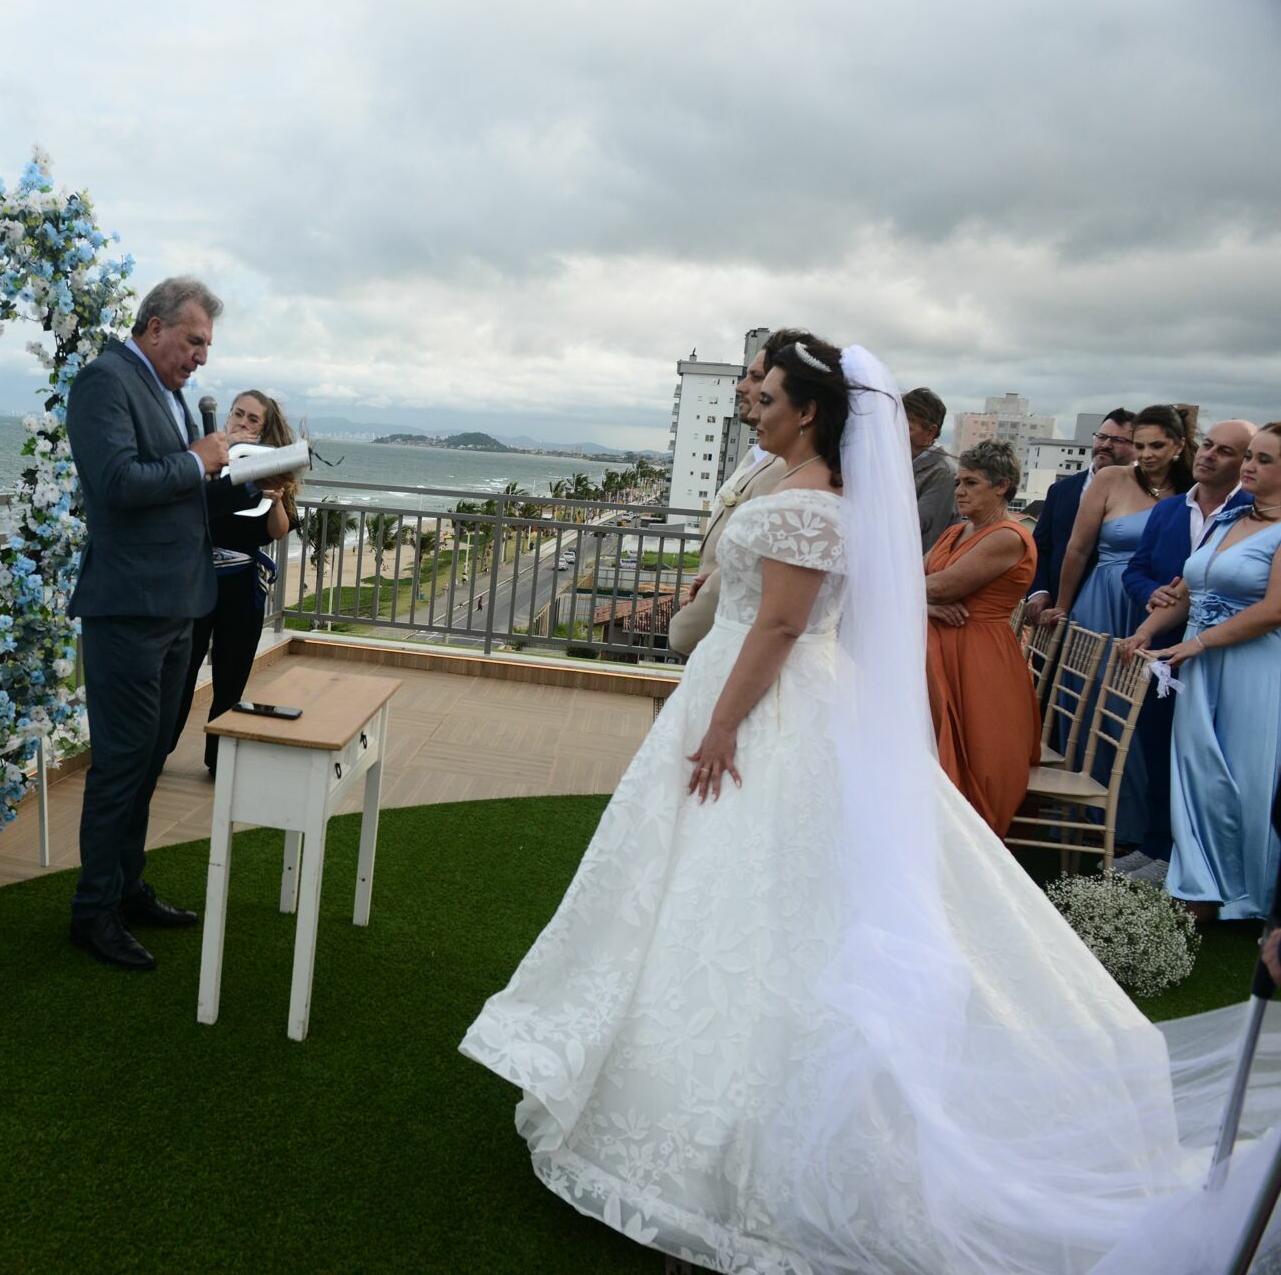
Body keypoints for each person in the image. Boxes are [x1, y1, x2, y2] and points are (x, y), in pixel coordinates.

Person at [460, 336, 1281, 1273]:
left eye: (766, 394)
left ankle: (736, 1131)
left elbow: (777, 625)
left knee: (754, 895)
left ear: (809, 411)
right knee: (705, 886)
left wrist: (724, 725)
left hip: (761, 703)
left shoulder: (813, 505)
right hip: (757, 688)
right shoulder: (795, 487)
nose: (752, 405)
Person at [64, 276, 232, 972]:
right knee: (121, 765)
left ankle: (126, 888)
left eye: (206, 347)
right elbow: (118, 483)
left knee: (149, 761)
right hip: (128, 610)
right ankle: (93, 912)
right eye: (193, 341)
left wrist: (227, 471)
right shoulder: (104, 381)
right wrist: (198, 460)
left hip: (178, 606)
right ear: (155, 326)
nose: (200, 358)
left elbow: (175, 485)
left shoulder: (172, 394)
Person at [1120, 422, 1281, 922]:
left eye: (1265, 460)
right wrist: (1146, 631)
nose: (1250, 466)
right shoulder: (1229, 517)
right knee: (1195, 772)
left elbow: (1275, 609)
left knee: (1240, 776)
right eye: (1250, 456)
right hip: (1199, 663)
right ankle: (1199, 882)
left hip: (1253, 667)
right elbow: (1189, 590)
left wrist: (1199, 642)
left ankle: (1244, 890)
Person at [1044, 406, 1195, 847]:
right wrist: (1065, 608)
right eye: (1141, 446)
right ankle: (1088, 816)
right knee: (1093, 704)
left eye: (1156, 446)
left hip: (1159, 608)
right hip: (1103, 600)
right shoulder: (1112, 480)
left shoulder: (1191, 491)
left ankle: (1137, 826)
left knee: (1144, 711)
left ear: (1179, 446)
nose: (1146, 455)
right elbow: (1075, 549)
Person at [170, 390, 298, 774]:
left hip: (241, 583)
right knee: (180, 670)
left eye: (252, 419)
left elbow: (278, 530)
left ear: (265, 428)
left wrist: (275, 499)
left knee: (231, 674)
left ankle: (217, 759)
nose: (241, 423)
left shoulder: (269, 466)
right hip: (196, 580)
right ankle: (156, 751)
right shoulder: (208, 458)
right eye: (237, 414)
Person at [666, 328, 804, 657]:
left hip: (732, 639)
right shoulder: (760, 453)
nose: (742, 387)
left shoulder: (786, 472)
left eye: (755, 377)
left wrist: (683, 628)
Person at [923, 440, 1038, 835]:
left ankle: (969, 843)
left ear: (1002, 486)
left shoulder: (1007, 537)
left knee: (980, 760)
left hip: (977, 657)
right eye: (958, 482)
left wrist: (923, 598)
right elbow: (918, 582)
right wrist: (924, 606)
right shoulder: (954, 532)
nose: (959, 491)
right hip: (936, 644)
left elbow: (939, 587)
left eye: (971, 482)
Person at [1025, 409, 1137, 624]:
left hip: (1112, 610)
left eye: (1117, 440)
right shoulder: (1061, 490)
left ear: (1136, 448)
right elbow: (1041, 548)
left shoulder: (1143, 497)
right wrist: (1039, 591)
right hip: (1056, 613)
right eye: (1101, 437)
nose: (1105, 445)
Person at [905, 386, 960, 553]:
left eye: (907, 428)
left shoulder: (942, 472)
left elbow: (919, 529)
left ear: (930, 431)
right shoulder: (900, 463)